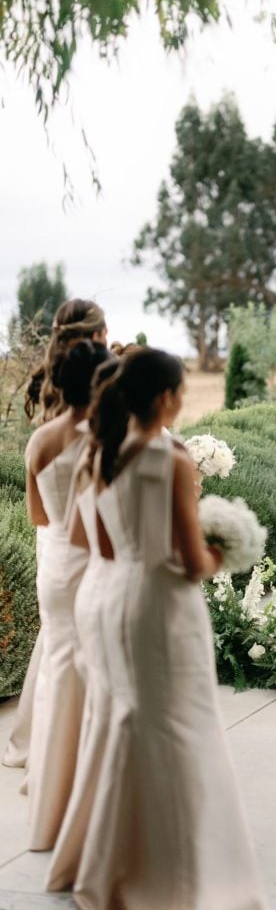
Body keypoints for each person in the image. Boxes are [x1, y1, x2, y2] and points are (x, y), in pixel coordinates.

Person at [47, 348, 268, 910]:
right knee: (177, 729)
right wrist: (229, 551)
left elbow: (88, 541)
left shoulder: (97, 452)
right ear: (168, 398)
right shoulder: (167, 458)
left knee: (122, 722)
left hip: (106, 596)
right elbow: (191, 562)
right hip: (159, 607)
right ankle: (171, 882)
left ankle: (103, 866)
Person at [4, 299, 108, 771]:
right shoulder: (110, 429)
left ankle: (47, 753)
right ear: (101, 337)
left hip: (58, 551)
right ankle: (87, 759)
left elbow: (39, 515)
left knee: (60, 652)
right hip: (100, 551)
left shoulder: (40, 437)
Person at [21, 340, 113, 850]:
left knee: (60, 669)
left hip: (54, 564)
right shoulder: (104, 438)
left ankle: (48, 796)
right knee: (97, 673)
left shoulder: (39, 439)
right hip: (94, 560)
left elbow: (38, 516)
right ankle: (88, 796)